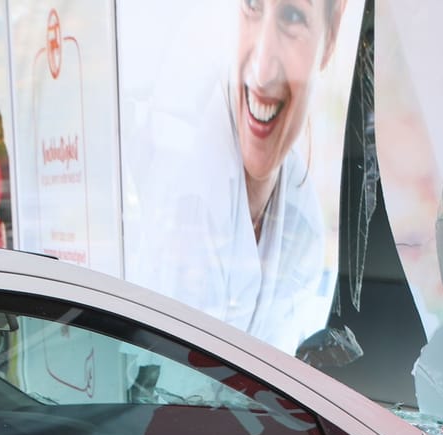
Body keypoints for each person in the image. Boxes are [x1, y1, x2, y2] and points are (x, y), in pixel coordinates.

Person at [123, 0, 347, 353]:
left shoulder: (303, 222)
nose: (262, 70)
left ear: (332, 34)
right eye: (252, 6)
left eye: (292, 17)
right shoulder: (185, 193)